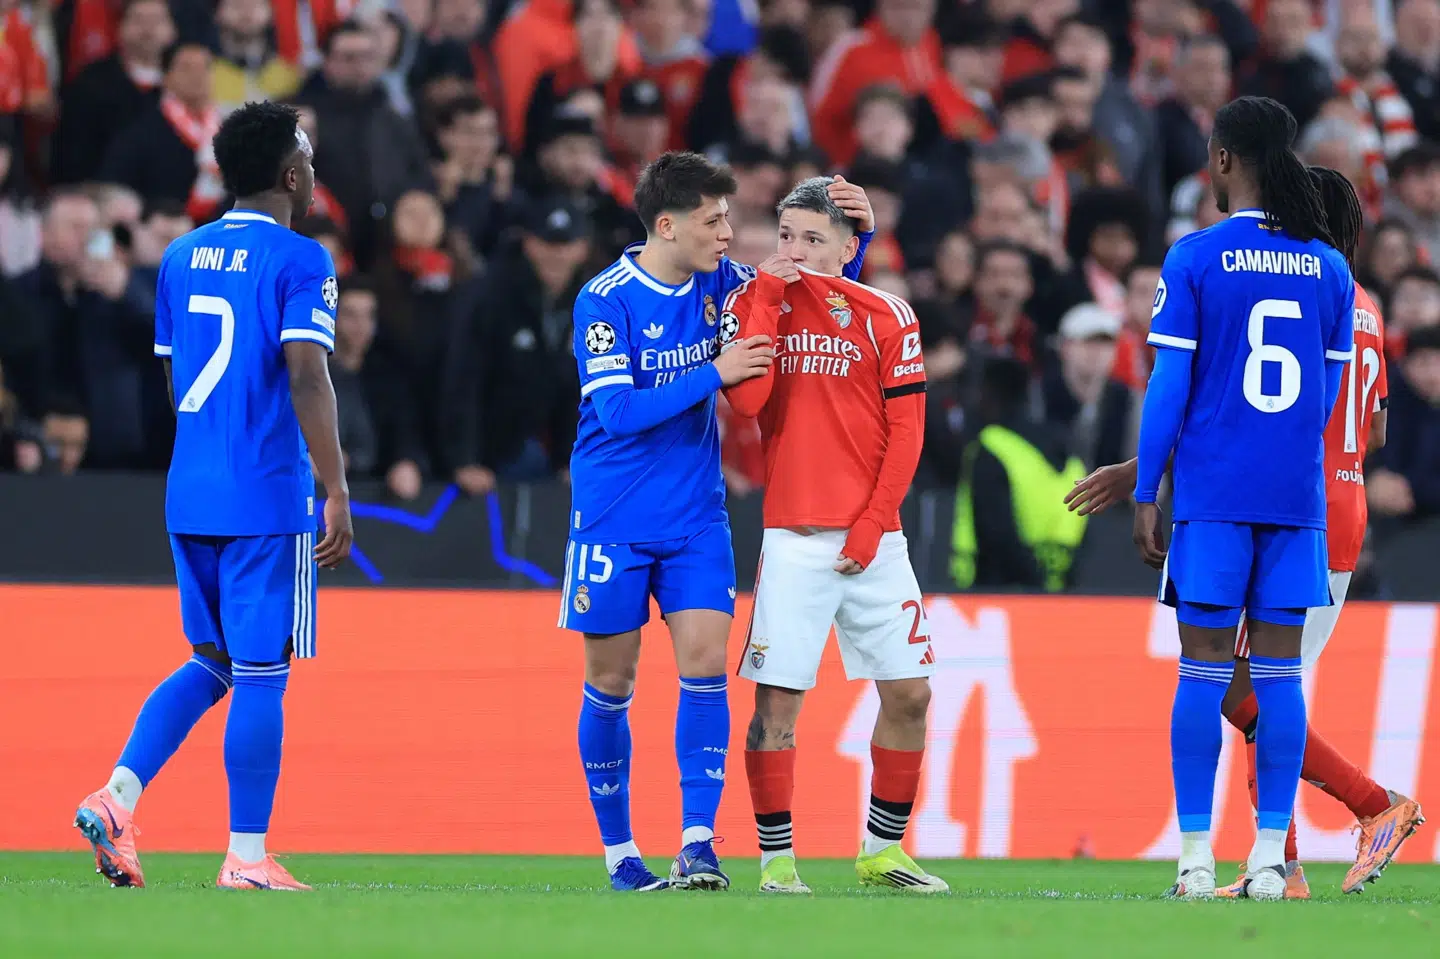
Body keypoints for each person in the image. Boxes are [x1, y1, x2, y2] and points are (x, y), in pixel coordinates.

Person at [1067, 167, 1427, 898]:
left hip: (1284, 506)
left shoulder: (1291, 291)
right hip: (1340, 508)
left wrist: (1143, 471)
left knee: (1237, 687)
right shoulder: (1360, 303)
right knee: (1257, 684)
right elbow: (1374, 427)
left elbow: (1245, 412)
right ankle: (1282, 863)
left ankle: (1371, 804)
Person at [562, 151, 873, 892]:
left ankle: (698, 842)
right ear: (667, 226)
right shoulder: (605, 299)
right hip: (610, 515)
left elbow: (821, 309)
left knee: (705, 669)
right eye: (714, 219)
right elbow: (618, 411)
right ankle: (619, 852)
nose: (730, 232)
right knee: (611, 680)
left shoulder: (726, 284)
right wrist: (714, 369)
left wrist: (856, 241)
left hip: (697, 515)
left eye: (730, 216)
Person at [72, 101, 353, 892]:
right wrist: (334, 487)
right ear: (292, 175)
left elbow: (172, 377)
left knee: (214, 660)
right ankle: (248, 854)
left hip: (191, 487)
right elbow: (307, 371)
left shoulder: (180, 255)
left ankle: (117, 797)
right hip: (265, 491)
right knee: (264, 671)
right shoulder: (302, 260)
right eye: (307, 155)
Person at [1131, 96, 1353, 901]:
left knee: (1201, 673)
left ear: (1223, 160)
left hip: (1215, 498)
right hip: (1295, 502)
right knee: (1283, 678)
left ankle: (1195, 859)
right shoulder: (1331, 267)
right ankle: (1268, 859)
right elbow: (1324, 400)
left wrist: (1150, 484)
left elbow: (1169, 385)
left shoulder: (1195, 256)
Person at [721, 178, 945, 894]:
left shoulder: (889, 314)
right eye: (785, 235)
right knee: (778, 706)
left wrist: (874, 523)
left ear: (848, 248)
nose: (793, 251)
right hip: (793, 537)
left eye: (812, 239)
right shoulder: (750, 304)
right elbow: (748, 403)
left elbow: (907, 431)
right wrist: (763, 299)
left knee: (911, 693)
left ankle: (882, 850)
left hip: (874, 539)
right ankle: (777, 862)